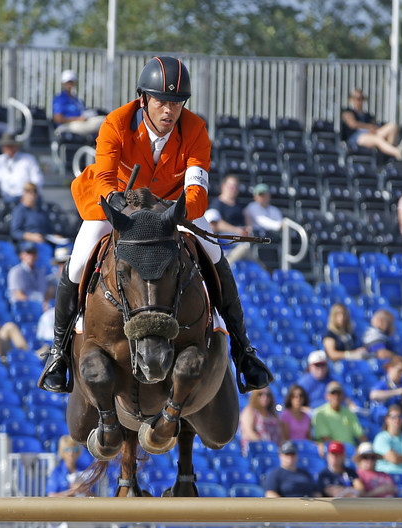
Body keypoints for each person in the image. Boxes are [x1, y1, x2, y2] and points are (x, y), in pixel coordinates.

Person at [38, 56, 272, 394]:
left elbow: (197, 192)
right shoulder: (116, 123)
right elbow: (104, 178)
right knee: (76, 265)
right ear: (144, 98)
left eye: (177, 103)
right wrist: (119, 205)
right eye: (162, 100)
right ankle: (58, 352)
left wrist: (172, 213)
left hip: (171, 208)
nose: (169, 110)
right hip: (118, 204)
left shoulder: (195, 130)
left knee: (215, 256)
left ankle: (242, 348)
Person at [340, 88, 402, 161]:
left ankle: (387, 154)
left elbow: (374, 126)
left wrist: (373, 129)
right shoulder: (348, 112)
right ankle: (397, 152)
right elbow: (353, 124)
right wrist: (369, 127)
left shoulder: (368, 115)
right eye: (357, 98)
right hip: (356, 137)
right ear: (352, 99)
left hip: (370, 135)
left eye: (362, 98)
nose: (360, 101)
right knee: (377, 139)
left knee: (393, 127)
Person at [204, 174, 251, 262]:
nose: (233, 189)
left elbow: (247, 219)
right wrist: (236, 230)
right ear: (223, 186)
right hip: (226, 242)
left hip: (241, 240)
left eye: (236, 187)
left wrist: (248, 228)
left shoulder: (240, 206)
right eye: (231, 186)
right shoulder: (217, 204)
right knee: (245, 248)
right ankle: (228, 265)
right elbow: (215, 224)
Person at [52, 69, 106, 137]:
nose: (70, 85)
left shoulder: (76, 99)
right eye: (68, 82)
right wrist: (78, 118)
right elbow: (58, 119)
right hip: (67, 126)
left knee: (104, 119)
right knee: (104, 122)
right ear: (64, 84)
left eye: (72, 82)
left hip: (81, 122)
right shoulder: (60, 99)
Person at [312, 381, 367, 445]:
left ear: (342, 396)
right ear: (327, 396)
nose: (336, 396)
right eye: (333, 393)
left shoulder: (349, 413)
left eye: (338, 393)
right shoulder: (320, 414)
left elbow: (360, 435)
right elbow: (325, 439)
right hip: (333, 451)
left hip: (351, 449)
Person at [239, 387, 288, 453]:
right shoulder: (250, 411)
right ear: (255, 396)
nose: (265, 397)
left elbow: (281, 434)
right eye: (260, 394)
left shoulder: (272, 414)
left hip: (275, 451)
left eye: (268, 395)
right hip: (257, 449)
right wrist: (266, 446)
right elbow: (249, 432)